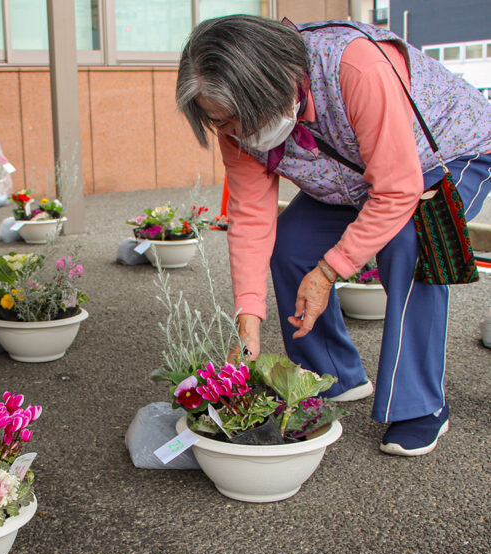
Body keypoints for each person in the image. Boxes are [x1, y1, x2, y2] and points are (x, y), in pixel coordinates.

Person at [175, 15, 491, 457]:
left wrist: (330, 271)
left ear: (264, 87)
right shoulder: (235, 123)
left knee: (409, 242)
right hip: (356, 179)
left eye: (231, 119)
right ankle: (332, 376)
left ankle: (420, 405)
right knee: (291, 245)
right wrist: (248, 317)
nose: (230, 134)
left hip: (445, 155)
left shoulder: (355, 66)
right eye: (216, 122)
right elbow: (251, 219)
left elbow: (396, 190)